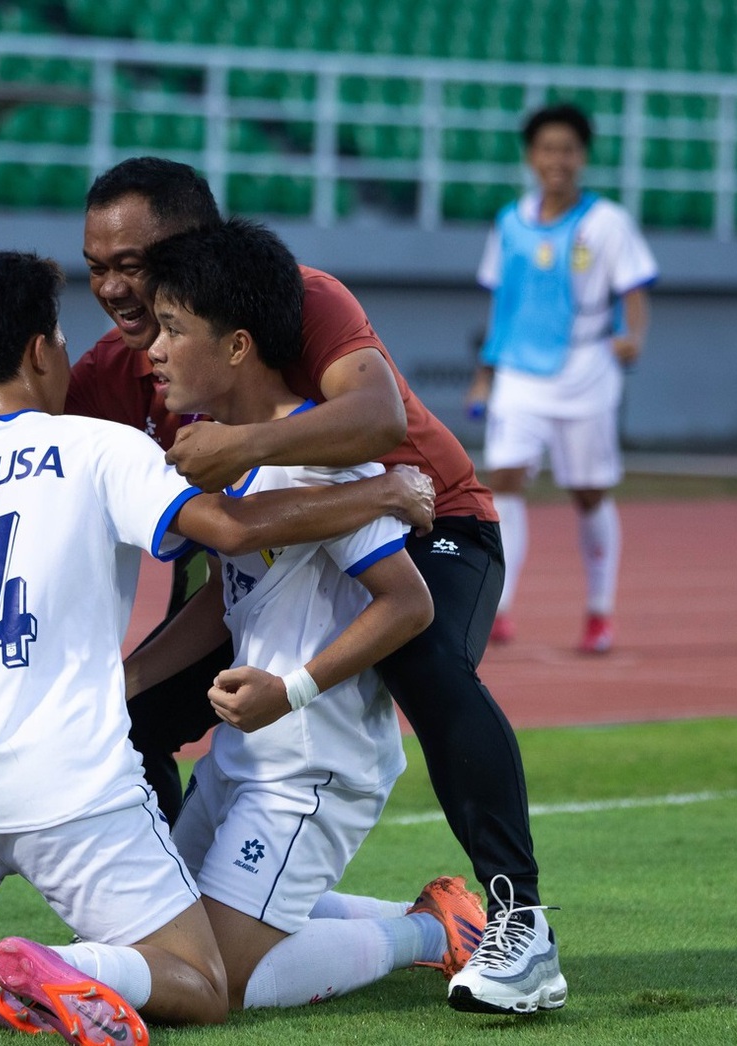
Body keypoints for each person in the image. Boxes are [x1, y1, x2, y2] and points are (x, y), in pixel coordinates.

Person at [0, 157, 566, 1016]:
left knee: (425, 668)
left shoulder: (298, 300)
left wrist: (241, 450)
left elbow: (375, 425)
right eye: (97, 268)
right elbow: (17, 440)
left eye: (135, 264)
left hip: (426, 518)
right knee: (137, 712)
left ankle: (518, 919)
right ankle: (169, 896)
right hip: (272, 556)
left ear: (199, 252)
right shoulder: (124, 369)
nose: (115, 291)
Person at [0, 248, 437, 1042]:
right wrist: (385, 490)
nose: (152, 351)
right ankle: (60, 965)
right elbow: (233, 533)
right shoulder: (102, 445)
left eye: (171, 329)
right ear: (43, 350)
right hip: (75, 784)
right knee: (207, 982)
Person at [126, 217, 493, 1011]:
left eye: (172, 329)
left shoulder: (326, 460)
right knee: (162, 943)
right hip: (243, 756)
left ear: (237, 348)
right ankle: (428, 916)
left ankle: (435, 937)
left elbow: (410, 603)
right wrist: (131, 677)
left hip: (312, 767)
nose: (150, 349)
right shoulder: (225, 447)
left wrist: (289, 690)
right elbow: (227, 602)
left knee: (215, 981)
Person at [463, 102, 658, 654]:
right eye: (547, 149)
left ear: (583, 157)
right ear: (531, 156)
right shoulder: (510, 222)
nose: (558, 160)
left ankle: (599, 612)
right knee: (503, 480)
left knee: (589, 492)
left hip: (586, 368)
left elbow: (635, 292)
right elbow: (504, 305)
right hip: (520, 375)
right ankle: (497, 607)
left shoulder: (608, 222)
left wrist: (633, 338)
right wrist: (485, 377)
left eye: (568, 149)